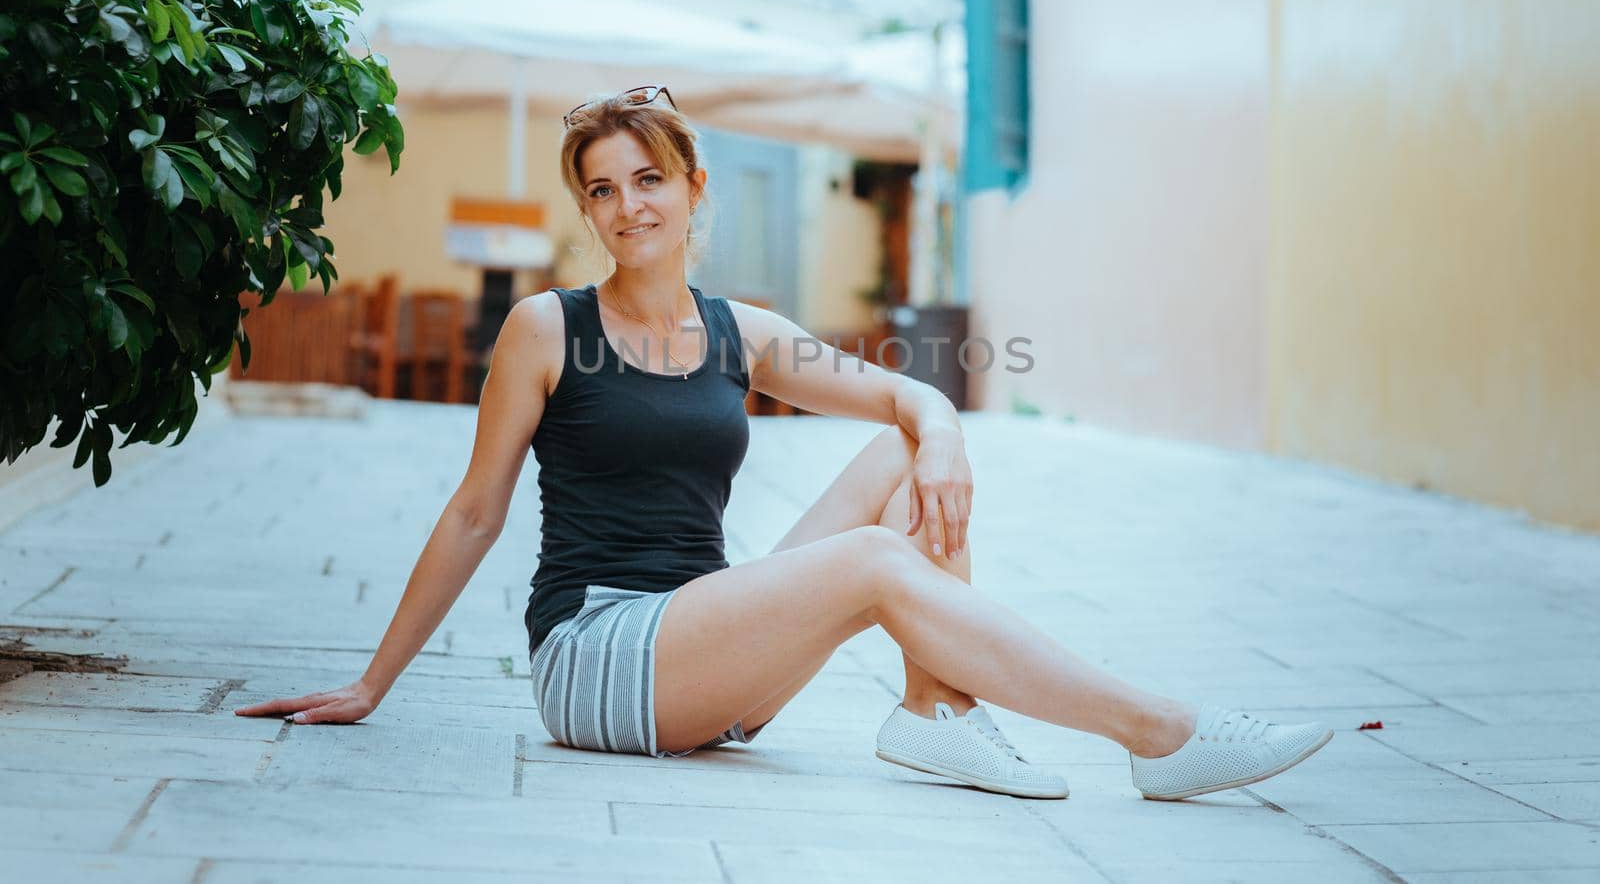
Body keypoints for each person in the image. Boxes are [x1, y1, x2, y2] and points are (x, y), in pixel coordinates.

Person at [238, 84, 1333, 801]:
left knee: (905, 454)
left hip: (716, 659)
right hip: (601, 656)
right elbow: (475, 508)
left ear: (692, 185)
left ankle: (935, 711)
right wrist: (373, 683)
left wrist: (943, 428)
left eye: (648, 179)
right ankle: (1157, 733)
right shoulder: (546, 330)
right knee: (868, 562)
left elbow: (908, 399)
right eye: (603, 190)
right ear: (588, 208)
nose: (628, 207)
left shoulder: (739, 333)